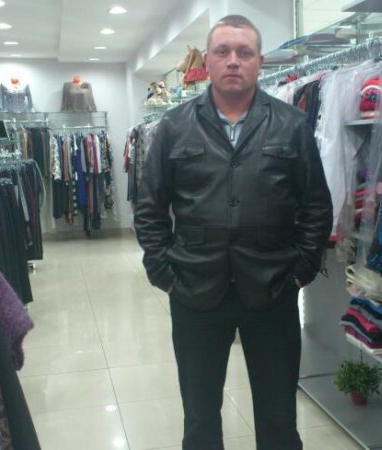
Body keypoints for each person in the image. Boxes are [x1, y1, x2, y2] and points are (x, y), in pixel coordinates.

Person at [135, 14, 333, 450]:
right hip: (193, 289)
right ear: (206, 61)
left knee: (279, 419)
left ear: (260, 61)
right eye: (222, 51)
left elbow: (316, 205)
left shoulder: (291, 124)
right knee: (200, 418)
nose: (233, 61)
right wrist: (162, 272)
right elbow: (150, 206)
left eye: (244, 52)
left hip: (272, 288)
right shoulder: (174, 126)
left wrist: (300, 270)